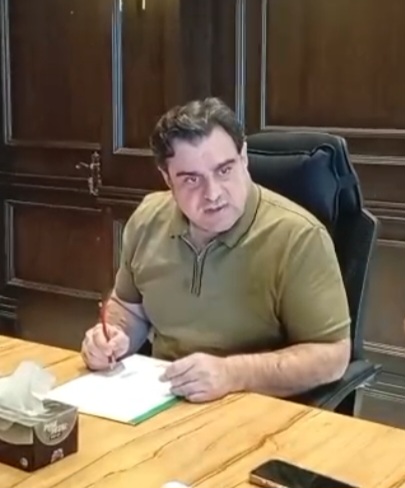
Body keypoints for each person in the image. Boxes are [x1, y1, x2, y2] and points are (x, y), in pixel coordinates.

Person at [81, 97, 351, 403]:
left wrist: (232, 374)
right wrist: (112, 338)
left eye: (224, 171)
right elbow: (129, 307)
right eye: (191, 179)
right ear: (167, 178)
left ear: (243, 157)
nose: (212, 194)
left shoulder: (299, 237)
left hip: (256, 405)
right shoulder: (148, 219)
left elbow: (333, 356)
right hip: (161, 397)